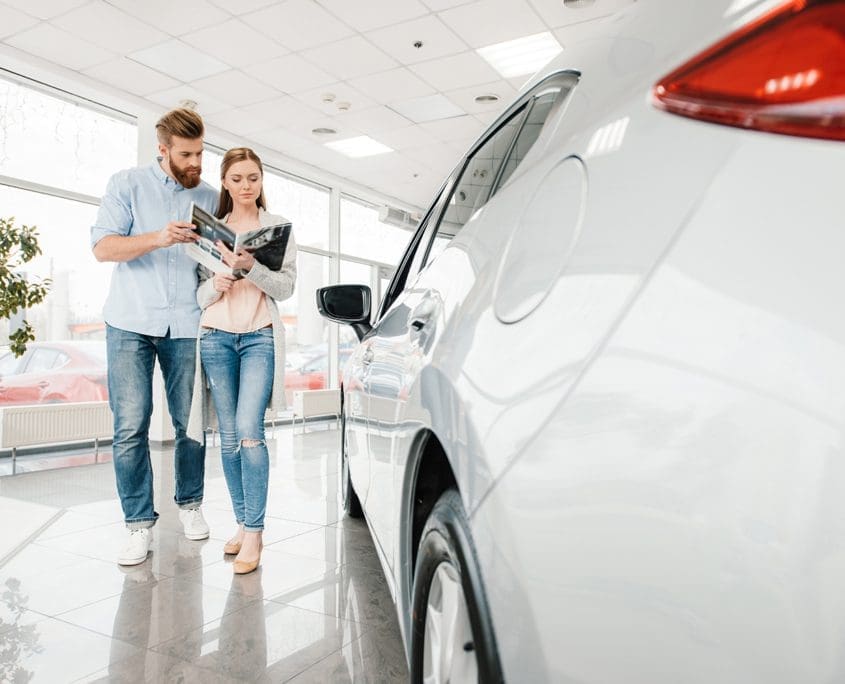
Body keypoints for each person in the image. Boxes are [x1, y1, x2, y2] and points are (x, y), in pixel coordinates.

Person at [91, 108, 217, 566]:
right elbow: (103, 246)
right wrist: (158, 238)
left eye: (200, 152)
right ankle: (138, 525)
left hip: (187, 322)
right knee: (130, 426)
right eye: (186, 154)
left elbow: (217, 261)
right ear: (162, 150)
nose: (195, 162)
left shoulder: (209, 195)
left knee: (191, 424)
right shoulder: (127, 184)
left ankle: (191, 505)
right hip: (129, 322)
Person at [187, 147, 297, 574]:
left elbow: (285, 289)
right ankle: (241, 524)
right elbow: (199, 297)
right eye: (237, 179)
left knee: (251, 431)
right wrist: (215, 283)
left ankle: (255, 532)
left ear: (262, 180)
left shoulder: (277, 228)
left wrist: (251, 267)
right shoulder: (211, 230)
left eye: (253, 178)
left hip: (258, 338)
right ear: (226, 183)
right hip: (216, 337)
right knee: (229, 437)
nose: (246, 186)